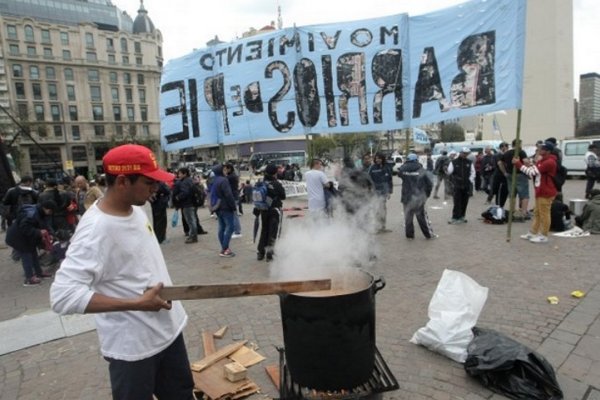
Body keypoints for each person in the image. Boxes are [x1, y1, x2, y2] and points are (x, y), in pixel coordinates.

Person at [50, 144, 195, 400]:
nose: (156, 188)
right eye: (149, 182)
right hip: (133, 348)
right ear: (122, 181)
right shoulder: (95, 230)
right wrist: (136, 303)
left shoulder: (137, 208)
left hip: (168, 333)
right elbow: (63, 296)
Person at [514, 141, 558, 243]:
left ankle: (544, 235)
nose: (539, 150)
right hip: (541, 189)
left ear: (548, 151)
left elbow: (532, 172)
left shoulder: (549, 162)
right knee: (537, 213)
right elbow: (533, 169)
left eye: (542, 149)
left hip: (546, 190)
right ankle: (533, 232)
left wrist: (518, 164)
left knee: (544, 214)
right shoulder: (543, 160)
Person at [5, 200, 56, 286]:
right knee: (27, 256)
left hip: (26, 237)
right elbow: (24, 228)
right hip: (18, 237)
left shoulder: (40, 212)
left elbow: (45, 225)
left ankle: (39, 273)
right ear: (45, 208)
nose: (50, 213)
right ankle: (29, 278)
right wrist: (39, 232)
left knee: (33, 253)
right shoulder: (31, 214)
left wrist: (50, 233)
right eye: (50, 211)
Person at [398, 153, 435, 239]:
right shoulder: (421, 170)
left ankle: (410, 236)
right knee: (422, 218)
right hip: (418, 197)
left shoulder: (403, 169)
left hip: (406, 197)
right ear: (416, 160)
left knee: (408, 217)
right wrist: (427, 195)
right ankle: (428, 235)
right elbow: (429, 184)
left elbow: (399, 174)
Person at [255, 164, 286, 261]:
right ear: (275, 173)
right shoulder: (276, 183)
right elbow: (283, 196)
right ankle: (269, 254)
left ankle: (260, 253)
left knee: (264, 230)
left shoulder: (260, 182)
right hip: (274, 210)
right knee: (273, 232)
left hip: (263, 210)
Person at [209, 165, 237, 257]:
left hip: (217, 207)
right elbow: (228, 195)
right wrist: (233, 206)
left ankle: (224, 248)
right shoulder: (224, 180)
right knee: (230, 227)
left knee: (222, 227)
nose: (226, 171)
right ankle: (225, 249)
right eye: (224, 169)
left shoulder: (214, 180)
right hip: (225, 207)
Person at [501, 139, 530, 219]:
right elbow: (526, 162)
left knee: (512, 194)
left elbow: (500, 162)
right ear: (518, 144)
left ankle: (512, 211)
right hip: (520, 175)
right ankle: (524, 213)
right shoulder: (521, 152)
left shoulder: (507, 153)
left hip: (510, 175)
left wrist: (504, 172)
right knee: (524, 195)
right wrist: (528, 170)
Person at [447, 147, 475, 224]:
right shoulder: (453, 162)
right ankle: (455, 217)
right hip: (457, 185)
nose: (464, 155)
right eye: (463, 153)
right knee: (457, 201)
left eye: (466, 154)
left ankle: (462, 216)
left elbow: (473, 172)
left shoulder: (469, 162)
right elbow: (449, 172)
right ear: (460, 153)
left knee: (465, 201)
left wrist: (470, 180)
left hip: (466, 185)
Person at [368, 152, 394, 233]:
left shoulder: (387, 168)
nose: (377, 160)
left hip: (384, 192)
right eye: (376, 158)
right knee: (376, 209)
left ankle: (382, 227)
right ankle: (376, 227)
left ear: (382, 159)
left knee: (383, 209)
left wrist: (389, 191)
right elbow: (369, 180)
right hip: (375, 192)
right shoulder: (372, 168)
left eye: (379, 158)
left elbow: (390, 180)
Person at [172, 167, 199, 244]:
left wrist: (178, 197)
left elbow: (185, 192)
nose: (178, 175)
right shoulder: (190, 180)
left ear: (185, 174)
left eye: (180, 173)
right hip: (191, 203)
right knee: (192, 220)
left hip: (187, 204)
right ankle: (193, 235)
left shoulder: (185, 182)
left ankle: (193, 236)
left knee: (190, 221)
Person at [486, 142, 509, 206]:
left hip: (502, 177)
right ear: (502, 148)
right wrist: (505, 173)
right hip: (499, 176)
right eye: (506, 147)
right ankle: (498, 208)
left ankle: (500, 207)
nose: (507, 149)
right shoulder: (498, 155)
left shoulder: (502, 155)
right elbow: (500, 164)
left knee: (504, 193)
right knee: (500, 193)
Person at [224, 163, 242, 238]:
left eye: (225, 169)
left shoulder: (230, 177)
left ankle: (237, 231)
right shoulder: (233, 176)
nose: (224, 171)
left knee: (234, 215)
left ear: (229, 169)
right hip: (235, 196)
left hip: (233, 197)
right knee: (233, 214)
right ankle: (235, 230)